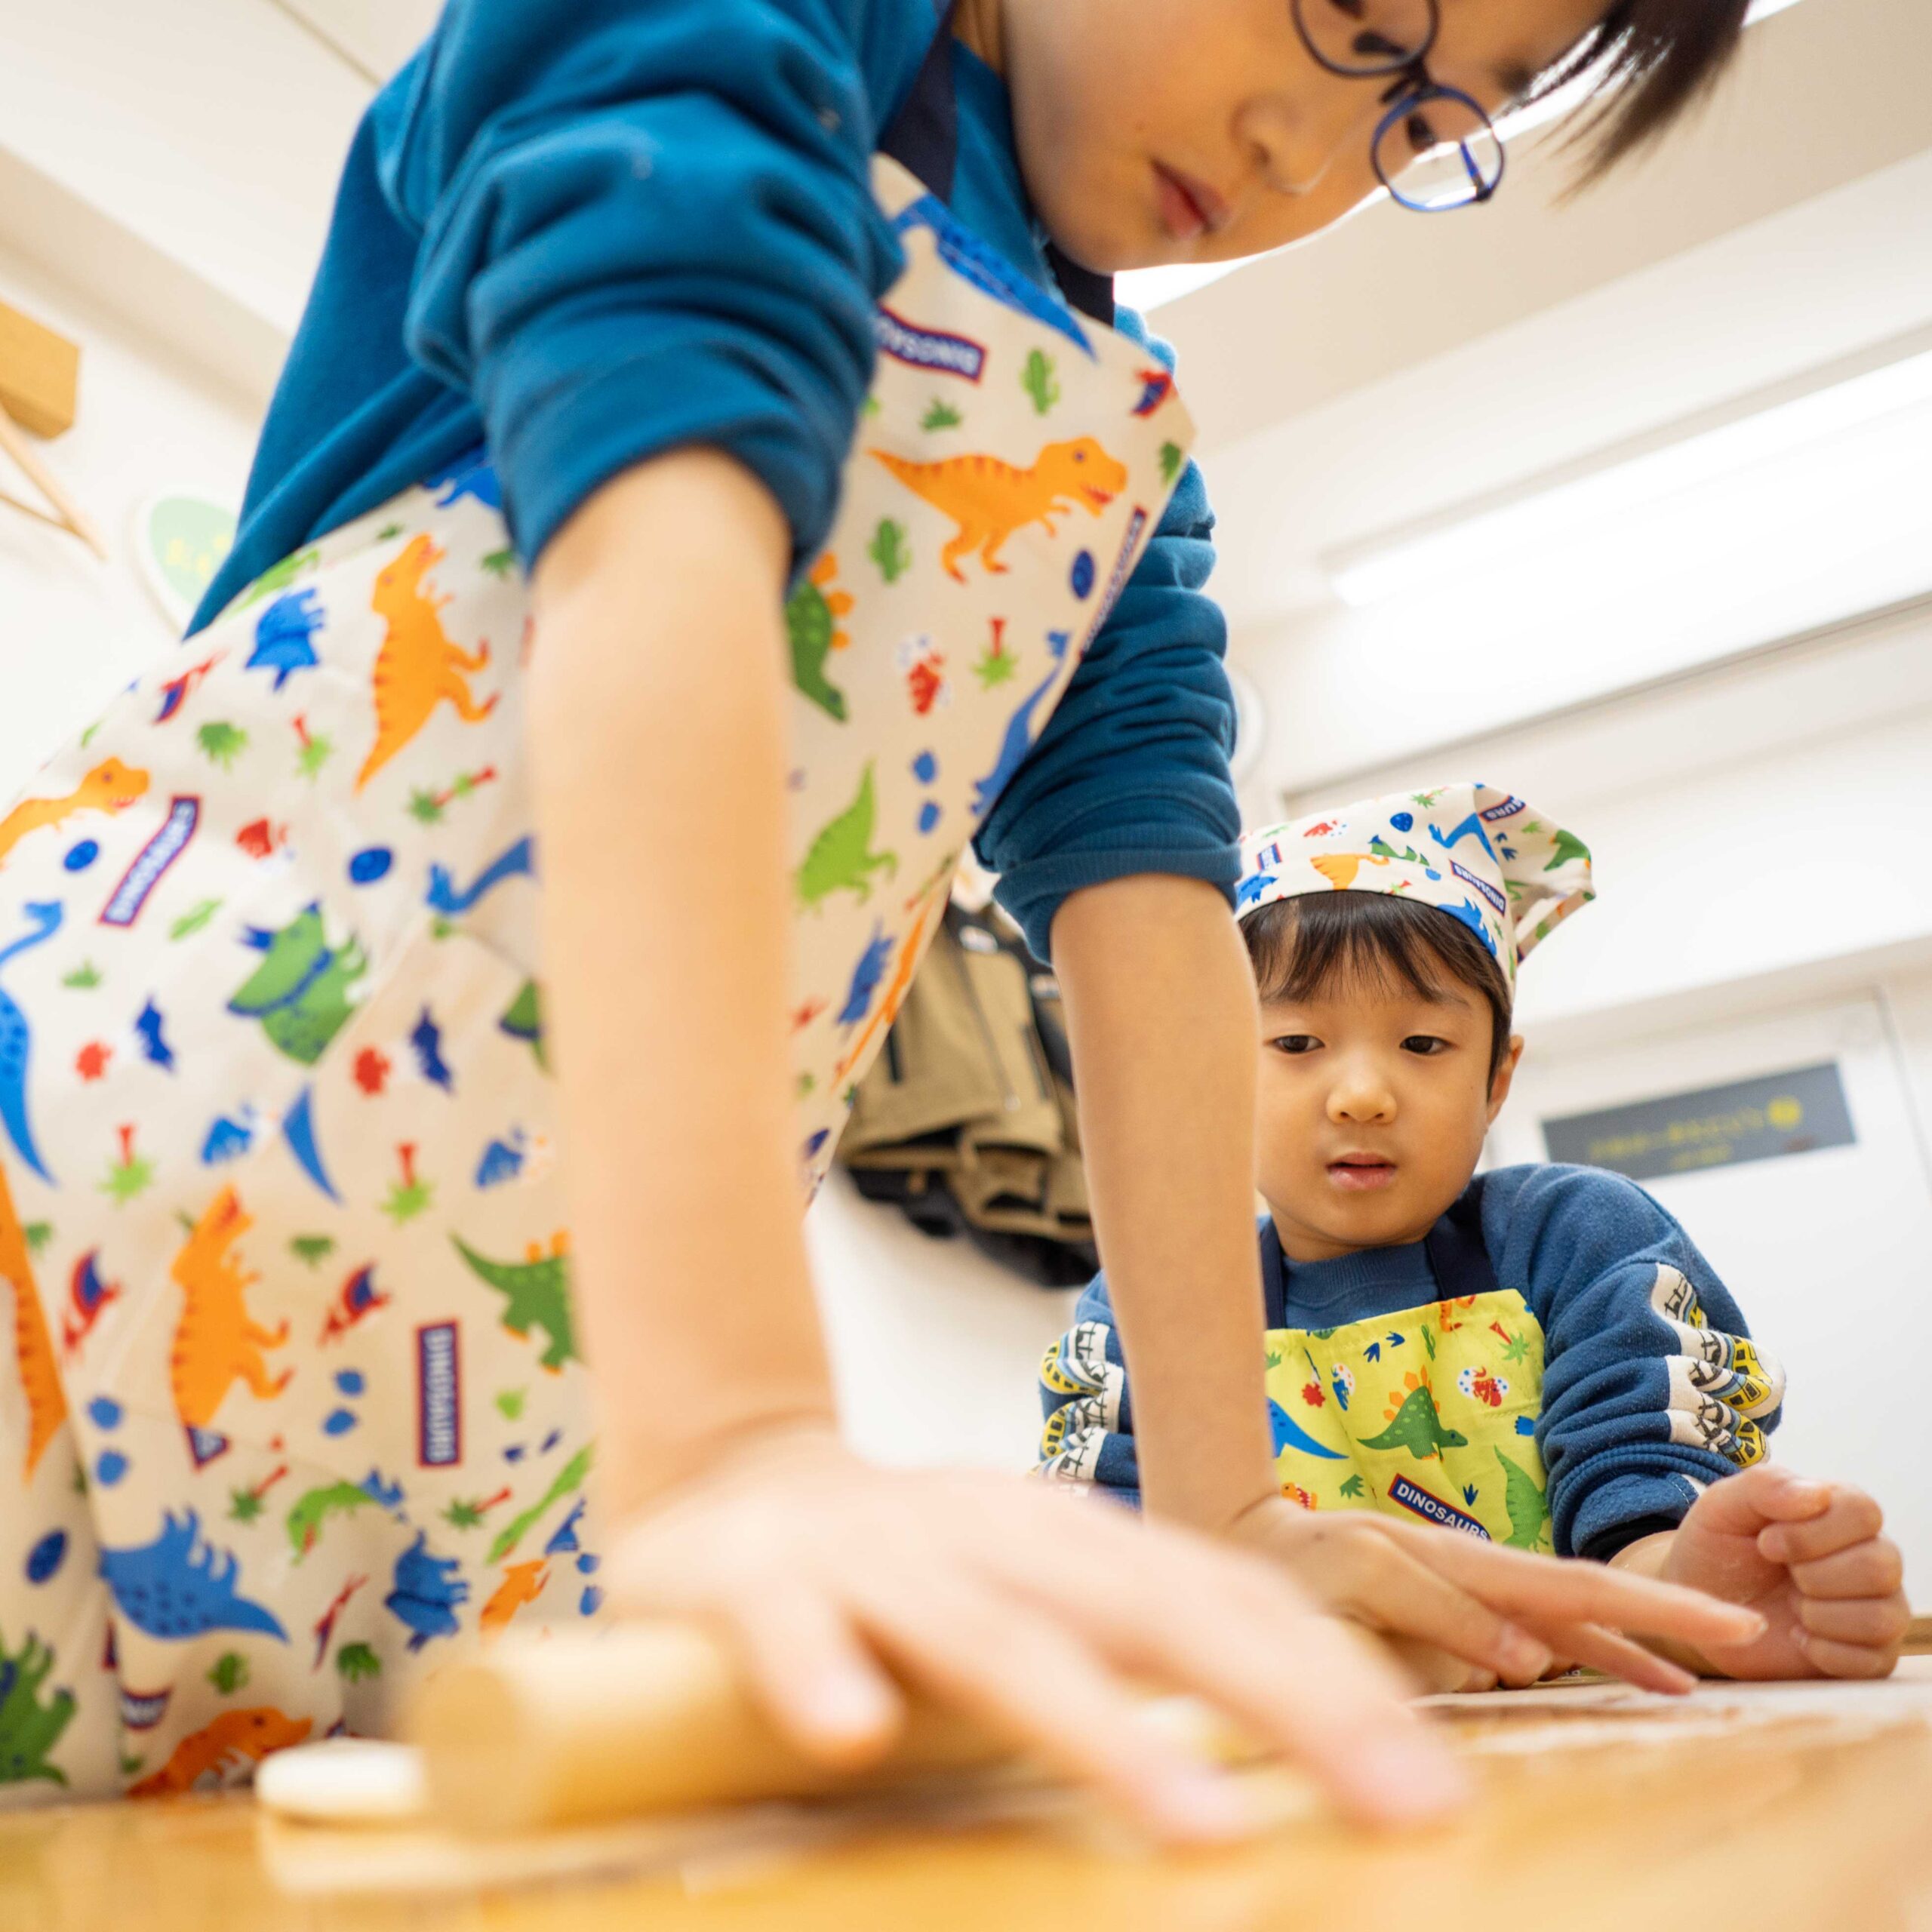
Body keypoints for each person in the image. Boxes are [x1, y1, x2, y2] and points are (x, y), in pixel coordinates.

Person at [0, 1, 1770, 1820]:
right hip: (105, 1178)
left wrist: (1229, 1501)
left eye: (1421, 123)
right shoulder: (742, 32)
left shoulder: (1123, 449)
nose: (1301, 159)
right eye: (1350, 16)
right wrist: (733, 1434)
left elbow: (1149, 886)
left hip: (508, 1407)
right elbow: (656, 536)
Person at [1041, 786, 1911, 1684]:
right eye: (1297, 1042)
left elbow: (1638, 1487)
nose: (1362, 1094)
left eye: (1422, 1044)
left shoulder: (1575, 1236)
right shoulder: (1142, 1301)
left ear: (1497, 1078)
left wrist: (1693, 1601)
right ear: (1213, 1067)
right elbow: (1110, 1564)